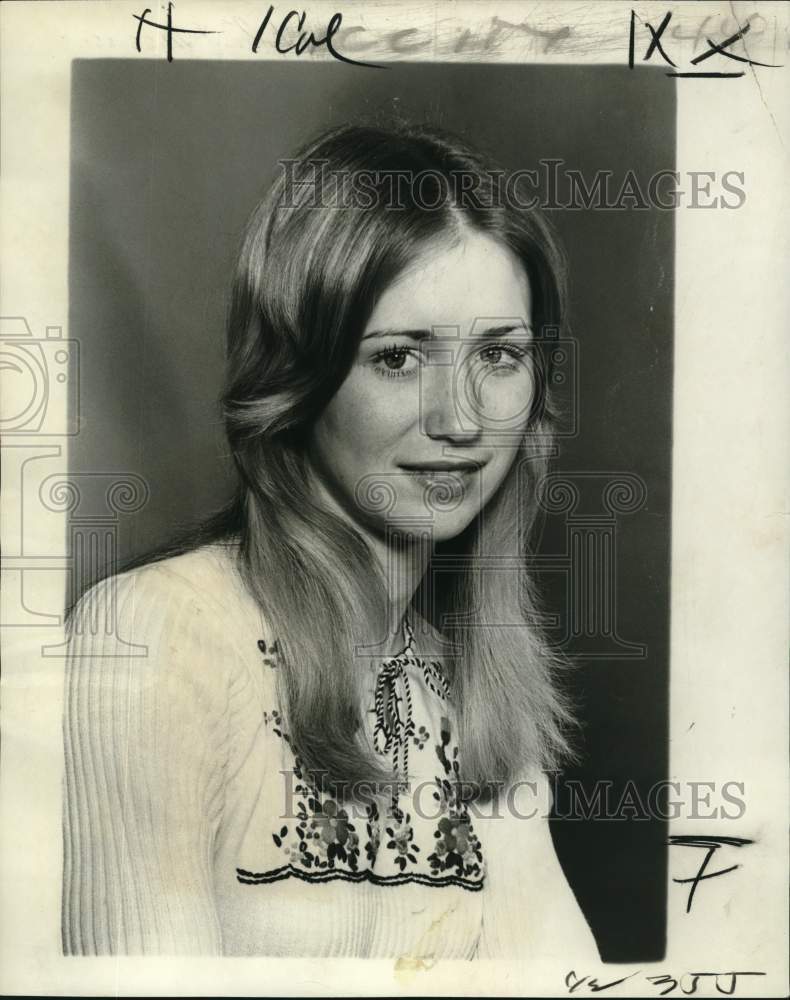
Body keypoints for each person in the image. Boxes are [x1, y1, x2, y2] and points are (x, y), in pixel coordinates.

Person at [62, 119, 600, 960]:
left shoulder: (471, 685)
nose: (460, 421)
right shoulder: (150, 636)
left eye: (498, 354)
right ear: (295, 378)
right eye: (397, 358)